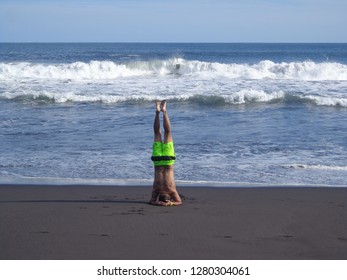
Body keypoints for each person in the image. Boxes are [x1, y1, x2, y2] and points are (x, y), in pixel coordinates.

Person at [149, 100, 182, 206]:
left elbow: (178, 202)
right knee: (158, 133)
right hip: (159, 161)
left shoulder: (171, 190)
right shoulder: (164, 190)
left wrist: (162, 203)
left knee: (165, 133)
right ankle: (159, 112)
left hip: (166, 160)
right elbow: (179, 202)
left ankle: (163, 111)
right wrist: (169, 204)